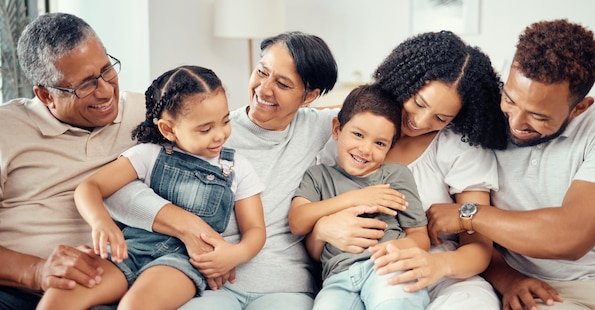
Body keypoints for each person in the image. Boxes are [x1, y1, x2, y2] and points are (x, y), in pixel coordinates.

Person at [104, 31, 368, 309]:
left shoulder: (325, 129)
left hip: (286, 287)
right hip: (213, 281)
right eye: (262, 72)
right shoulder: (209, 128)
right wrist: (185, 225)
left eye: (283, 84)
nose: (264, 89)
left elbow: (380, 111)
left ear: (309, 96)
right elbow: (119, 187)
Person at [425, 19, 595, 310]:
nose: (516, 123)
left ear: (580, 107)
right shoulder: (479, 117)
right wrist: (507, 278)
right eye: (510, 99)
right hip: (539, 293)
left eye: (539, 116)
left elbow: (571, 236)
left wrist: (468, 214)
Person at [36, 65, 266, 309]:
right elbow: (89, 187)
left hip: (182, 263)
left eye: (225, 121)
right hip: (130, 250)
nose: (220, 135)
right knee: (61, 295)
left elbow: (255, 229)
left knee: (136, 305)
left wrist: (234, 254)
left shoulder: (236, 166)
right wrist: (101, 222)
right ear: (168, 129)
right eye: (205, 129)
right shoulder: (148, 155)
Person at [311, 30, 508, 309]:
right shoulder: (354, 136)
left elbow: (478, 249)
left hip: (444, 275)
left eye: (441, 117)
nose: (420, 121)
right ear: (403, 81)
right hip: (355, 273)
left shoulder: (458, 147)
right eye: (418, 103)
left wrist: (436, 264)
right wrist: (321, 229)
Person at [0, 12, 147, 309]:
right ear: (45, 96)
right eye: (85, 85)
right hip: (17, 291)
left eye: (107, 70)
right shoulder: (6, 129)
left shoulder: (148, 113)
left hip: (109, 286)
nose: (105, 91)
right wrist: (36, 271)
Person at [289, 84, 431, 309]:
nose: (365, 149)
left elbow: (420, 237)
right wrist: (357, 198)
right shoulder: (318, 176)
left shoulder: (396, 175)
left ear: (389, 148)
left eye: (379, 143)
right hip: (338, 279)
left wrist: (396, 250)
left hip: (387, 268)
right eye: (357, 134)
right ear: (337, 129)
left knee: (395, 302)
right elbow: (298, 221)